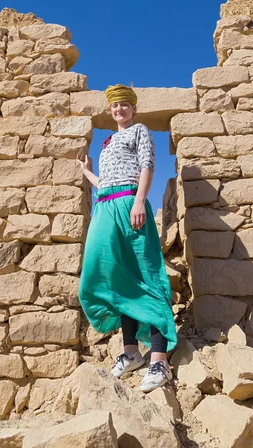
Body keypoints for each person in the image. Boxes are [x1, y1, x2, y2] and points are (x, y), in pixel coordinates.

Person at [78, 83, 177, 393]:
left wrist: (138, 200)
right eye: (114, 106)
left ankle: (158, 359)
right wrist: (87, 173)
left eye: (124, 105)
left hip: (128, 202)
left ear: (133, 108)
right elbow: (105, 182)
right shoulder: (107, 142)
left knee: (144, 274)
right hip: (104, 206)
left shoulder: (140, 132)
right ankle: (131, 352)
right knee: (105, 273)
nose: (119, 109)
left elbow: (147, 165)